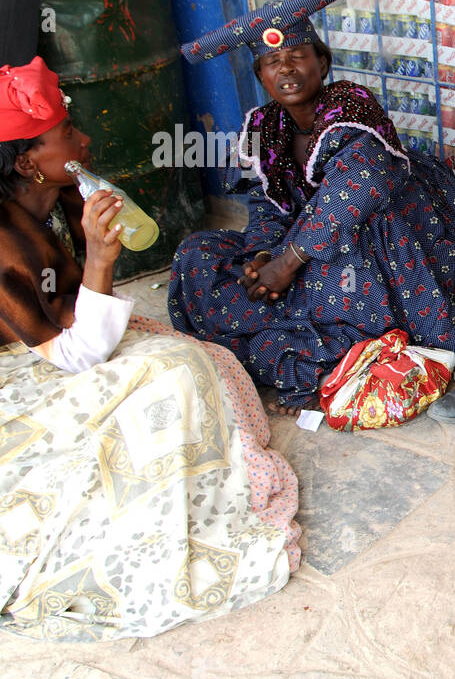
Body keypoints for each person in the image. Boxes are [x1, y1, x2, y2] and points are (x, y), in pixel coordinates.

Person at [0, 57, 301, 641]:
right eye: (67, 134)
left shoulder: (57, 203)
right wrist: (102, 261)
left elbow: (74, 311)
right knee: (172, 377)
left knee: (204, 360)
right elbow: (71, 355)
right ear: (25, 163)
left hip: (69, 337)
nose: (84, 140)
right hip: (25, 368)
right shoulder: (3, 244)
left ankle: (228, 467)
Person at [168, 0, 455, 413]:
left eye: (298, 56)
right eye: (273, 62)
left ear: (323, 63)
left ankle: (331, 354)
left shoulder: (351, 103)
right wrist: (262, 256)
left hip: (384, 232)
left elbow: (361, 185)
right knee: (196, 255)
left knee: (348, 267)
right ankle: (304, 345)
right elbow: (265, 203)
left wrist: (287, 261)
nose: (287, 70)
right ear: (260, 74)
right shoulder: (260, 126)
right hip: (306, 244)